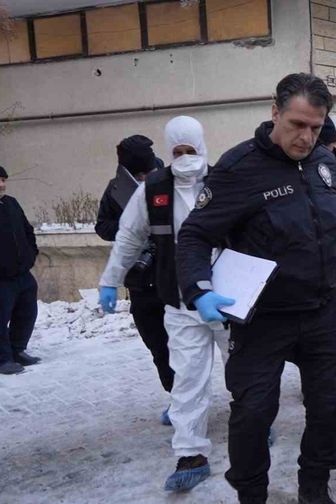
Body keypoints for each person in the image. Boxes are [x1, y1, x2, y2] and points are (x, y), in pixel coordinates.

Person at [175, 73, 336, 504]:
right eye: (297, 124)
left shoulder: (325, 164)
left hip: (323, 309)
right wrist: (199, 289)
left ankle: (315, 489)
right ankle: (251, 493)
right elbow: (195, 235)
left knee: (328, 406)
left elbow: (328, 221)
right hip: (264, 317)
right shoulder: (238, 169)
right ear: (275, 113)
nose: (306, 136)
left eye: (316, 126)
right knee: (253, 412)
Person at [98, 117, 231, 492]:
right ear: (167, 152)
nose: (185, 158)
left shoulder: (225, 182)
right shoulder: (153, 188)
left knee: (243, 367)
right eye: (178, 152)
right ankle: (190, 453)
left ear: (203, 147)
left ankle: (253, 423)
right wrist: (110, 279)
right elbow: (127, 237)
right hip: (179, 300)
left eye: (191, 150)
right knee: (187, 378)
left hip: (227, 299)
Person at [95, 135, 174, 410]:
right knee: (158, 347)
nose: (145, 177)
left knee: (187, 347)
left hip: (172, 277)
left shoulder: (169, 180)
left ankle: (191, 401)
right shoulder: (116, 190)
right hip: (140, 281)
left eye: (148, 171)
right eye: (139, 173)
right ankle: (176, 398)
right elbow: (102, 226)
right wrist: (131, 227)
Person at [0, 165, 40, 375]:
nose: (2, 184)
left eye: (3, 180)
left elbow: (27, 230)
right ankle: (3, 359)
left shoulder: (11, 203)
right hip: (1, 279)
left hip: (22, 273)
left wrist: (31, 254)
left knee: (27, 312)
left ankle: (17, 350)